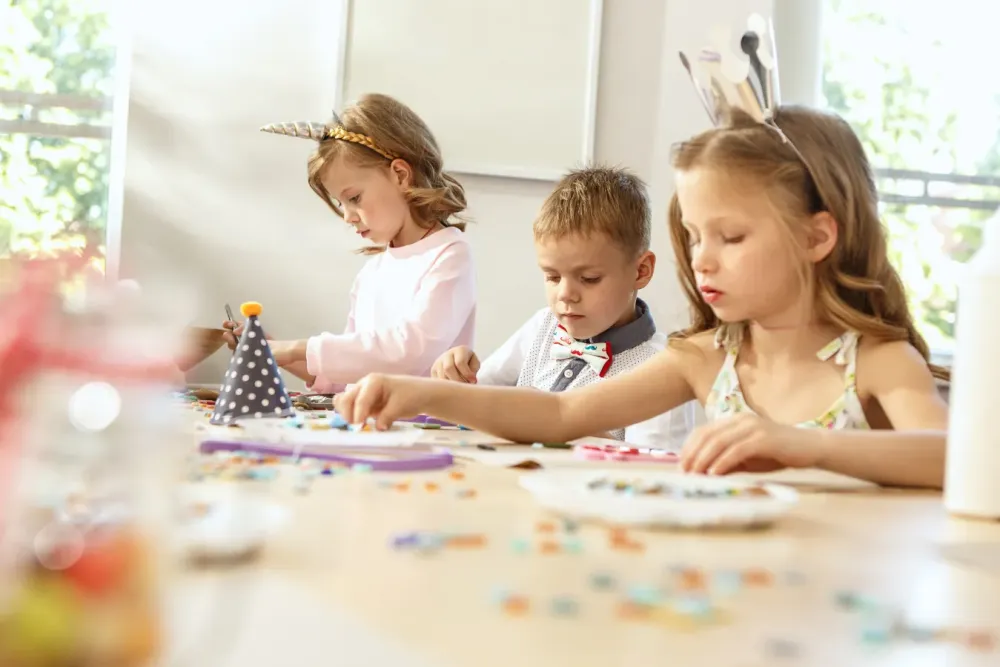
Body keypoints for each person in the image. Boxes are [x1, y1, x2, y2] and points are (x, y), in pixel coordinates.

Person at [334, 105, 950, 489]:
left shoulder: (877, 363)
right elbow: (559, 415)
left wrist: (806, 445)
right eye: (695, 236)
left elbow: (954, 458)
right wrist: (419, 392)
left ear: (817, 236)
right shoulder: (704, 357)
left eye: (730, 237)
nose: (702, 258)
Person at [223, 93, 476, 392]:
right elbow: (349, 373)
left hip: (423, 427)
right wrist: (270, 349)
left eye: (354, 198)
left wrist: (294, 349)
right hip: (373, 426)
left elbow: (409, 352)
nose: (347, 216)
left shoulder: (448, 253)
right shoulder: (372, 272)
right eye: (340, 203)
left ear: (400, 174)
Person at [431, 166, 694, 449]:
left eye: (589, 279)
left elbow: (653, 468)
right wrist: (458, 373)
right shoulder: (543, 326)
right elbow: (479, 395)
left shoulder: (662, 369)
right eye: (553, 277)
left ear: (640, 271)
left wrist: (560, 423)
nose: (566, 294)